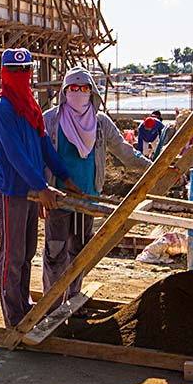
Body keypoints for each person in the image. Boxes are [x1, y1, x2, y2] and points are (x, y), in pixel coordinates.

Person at [41, 66, 152, 311]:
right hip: (59, 199)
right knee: (55, 252)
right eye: (73, 88)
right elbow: (40, 156)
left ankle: (73, 300)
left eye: (83, 88)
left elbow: (123, 150)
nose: (78, 92)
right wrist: (41, 190)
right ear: (64, 91)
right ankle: (49, 307)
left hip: (89, 198)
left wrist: (153, 168)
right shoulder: (51, 119)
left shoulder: (100, 123)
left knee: (79, 252)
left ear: (91, 92)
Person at [0, 48, 80, 328]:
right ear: (5, 74)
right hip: (14, 191)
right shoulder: (2, 109)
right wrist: (41, 187)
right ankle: (13, 315)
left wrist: (64, 176)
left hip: (31, 192)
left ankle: (24, 303)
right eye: (16, 71)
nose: (21, 75)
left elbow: (43, 146)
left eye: (26, 70)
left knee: (27, 252)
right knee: (12, 255)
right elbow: (16, 155)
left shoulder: (29, 105)